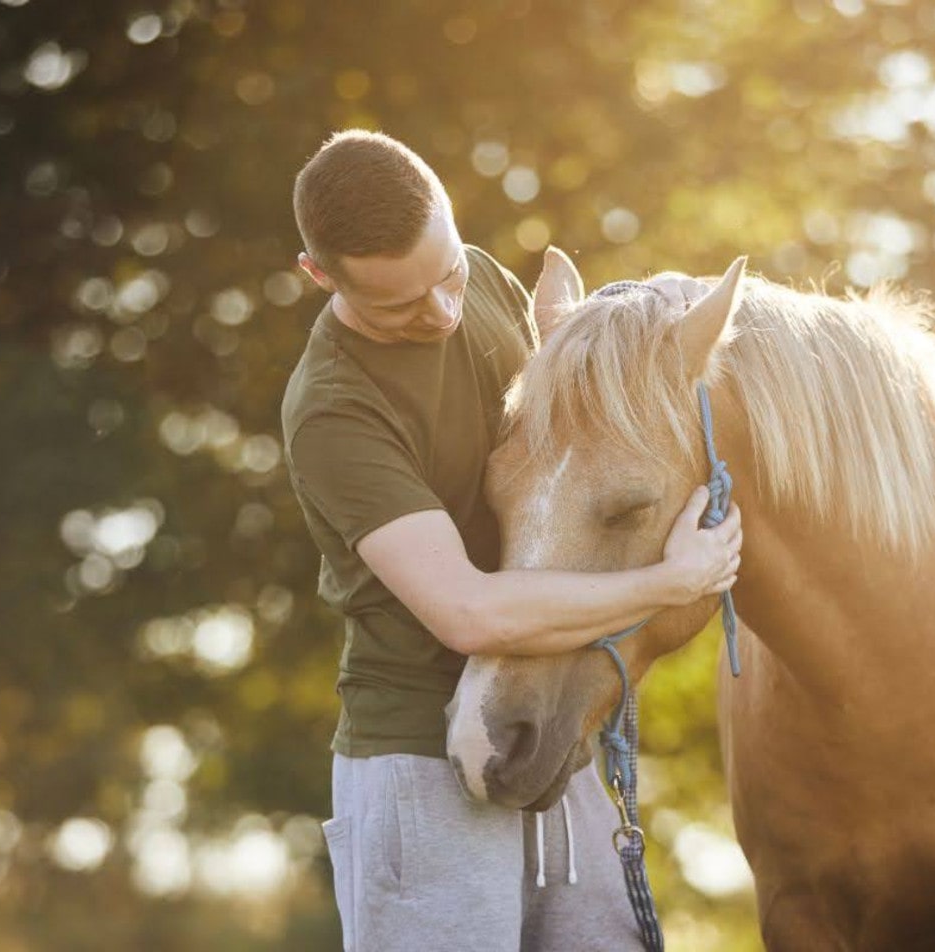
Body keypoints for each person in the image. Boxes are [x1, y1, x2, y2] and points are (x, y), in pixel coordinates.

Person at [281, 129, 742, 952]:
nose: (444, 311)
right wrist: (671, 583)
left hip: (548, 729)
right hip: (420, 767)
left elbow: (574, 450)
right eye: (401, 305)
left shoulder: (484, 278)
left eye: (447, 272)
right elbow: (467, 613)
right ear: (320, 277)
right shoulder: (334, 409)